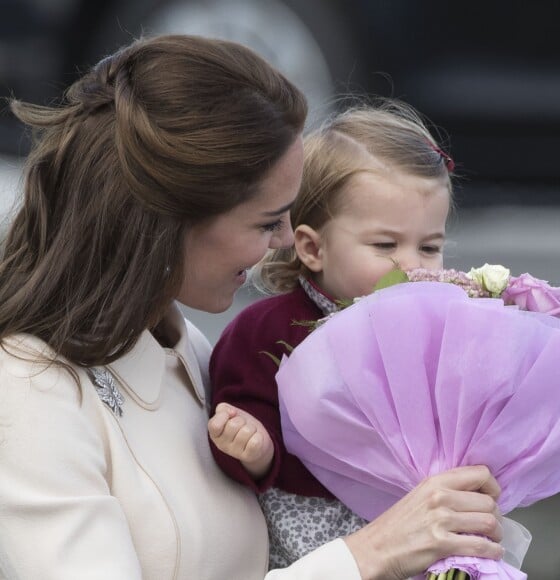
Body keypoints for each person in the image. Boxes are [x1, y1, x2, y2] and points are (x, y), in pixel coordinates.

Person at [0, 33, 504, 580]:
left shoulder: (184, 346)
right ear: (166, 220)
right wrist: (370, 555)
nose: (288, 240)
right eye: (267, 221)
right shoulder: (29, 390)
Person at [208, 101, 460, 568]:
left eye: (430, 246)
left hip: (419, 523)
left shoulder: (443, 327)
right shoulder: (267, 329)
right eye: (385, 245)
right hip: (314, 538)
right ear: (312, 247)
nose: (411, 264)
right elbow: (242, 413)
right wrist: (256, 448)